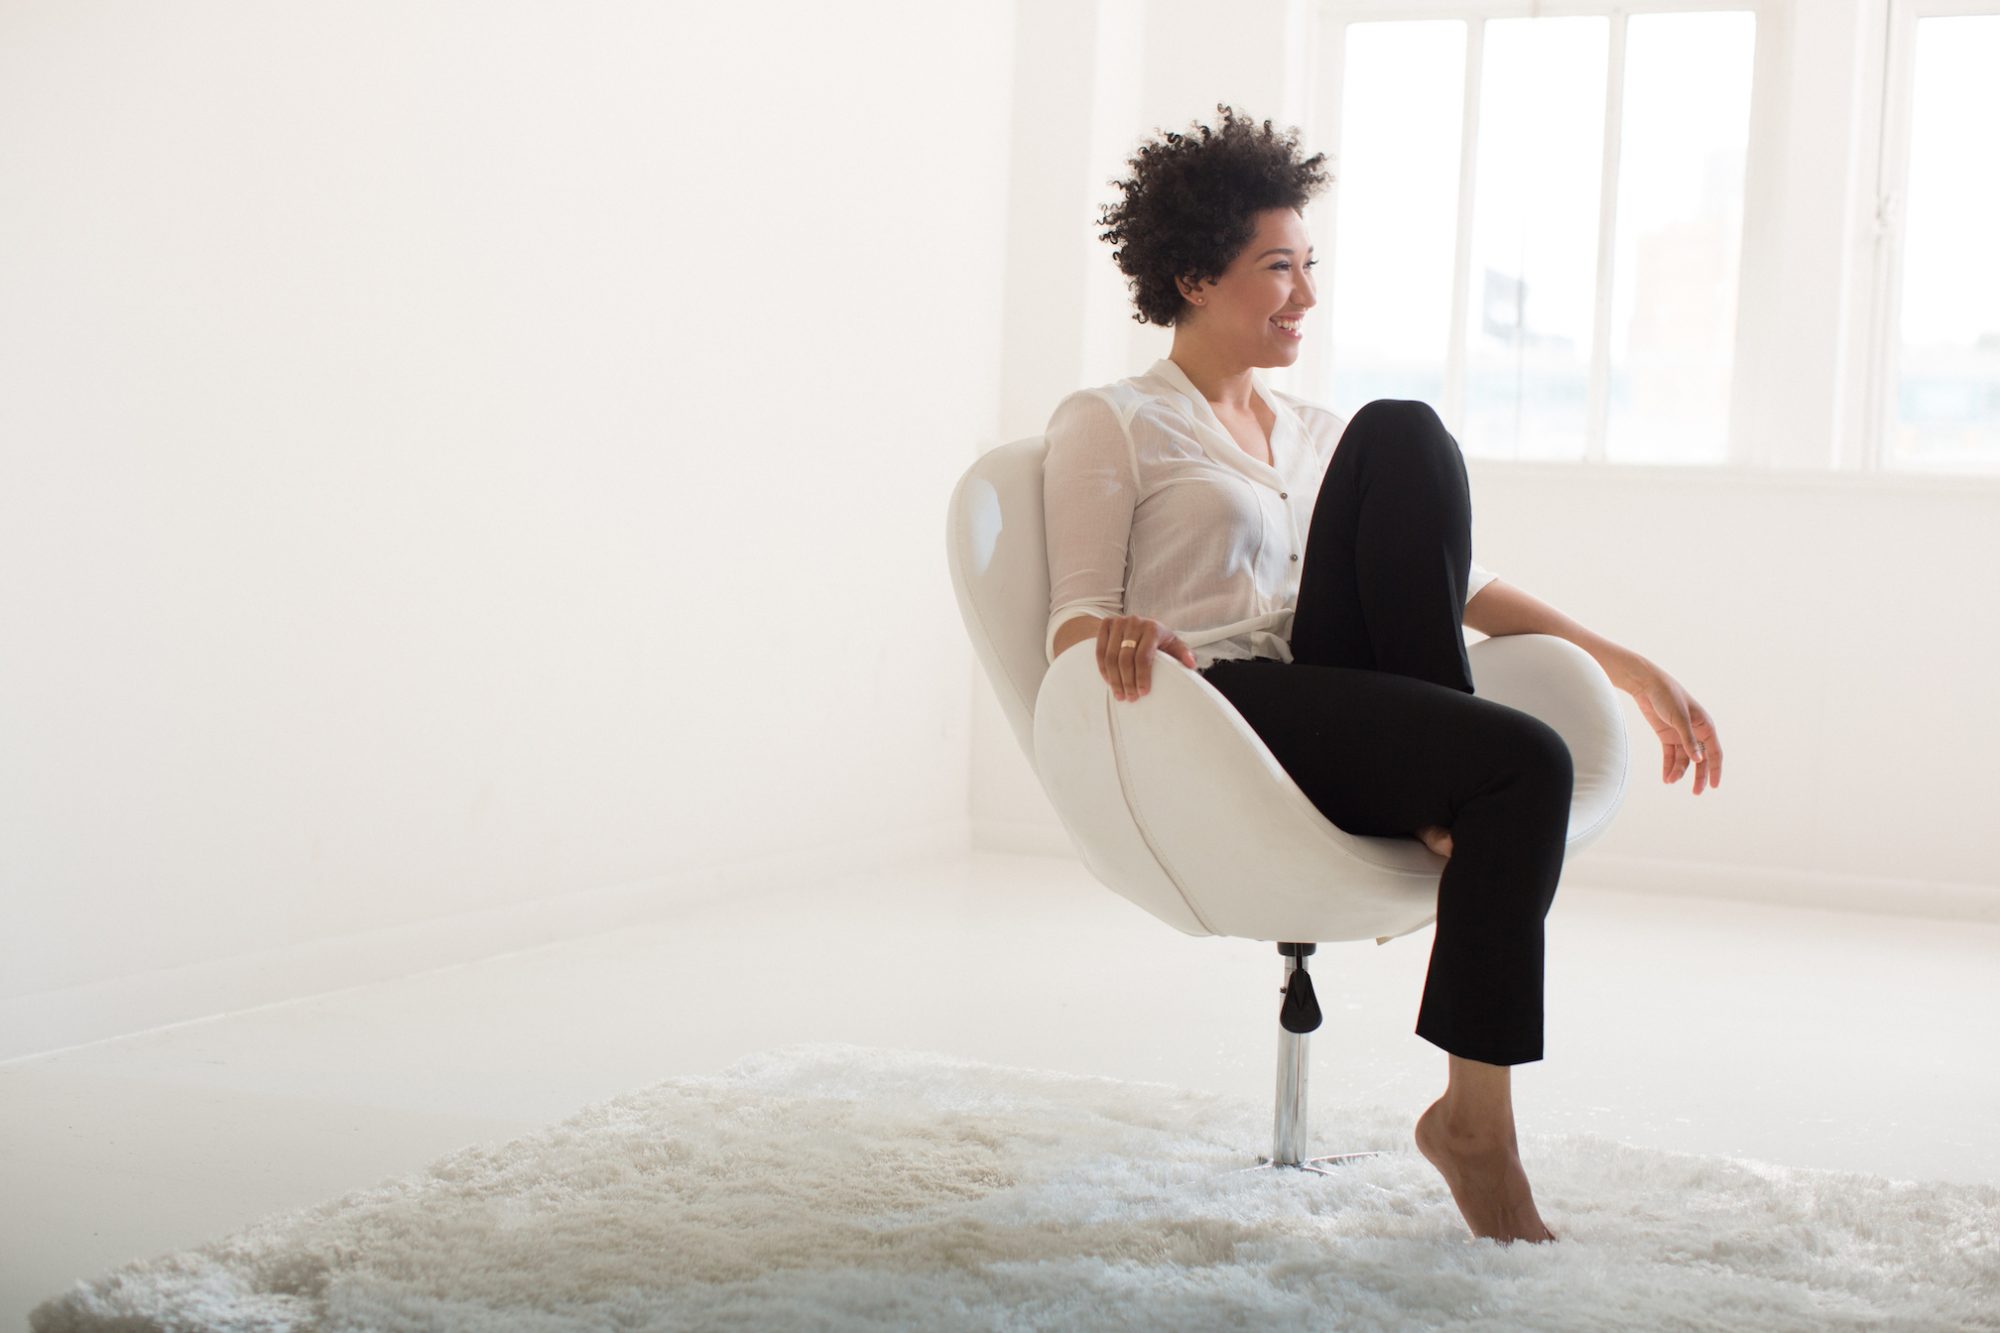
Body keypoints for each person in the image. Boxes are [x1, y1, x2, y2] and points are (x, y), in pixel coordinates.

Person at [1042, 105, 1724, 1246]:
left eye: (1310, 266)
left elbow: (1455, 578)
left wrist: (1622, 660)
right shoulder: (1112, 423)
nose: (1304, 294)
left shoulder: (1314, 430)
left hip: (1335, 691)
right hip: (1215, 712)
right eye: (1276, 268)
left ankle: (1463, 1079)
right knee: (1523, 768)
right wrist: (1119, 640)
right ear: (1190, 277)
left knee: (1403, 431)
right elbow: (1072, 619)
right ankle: (1479, 1130)